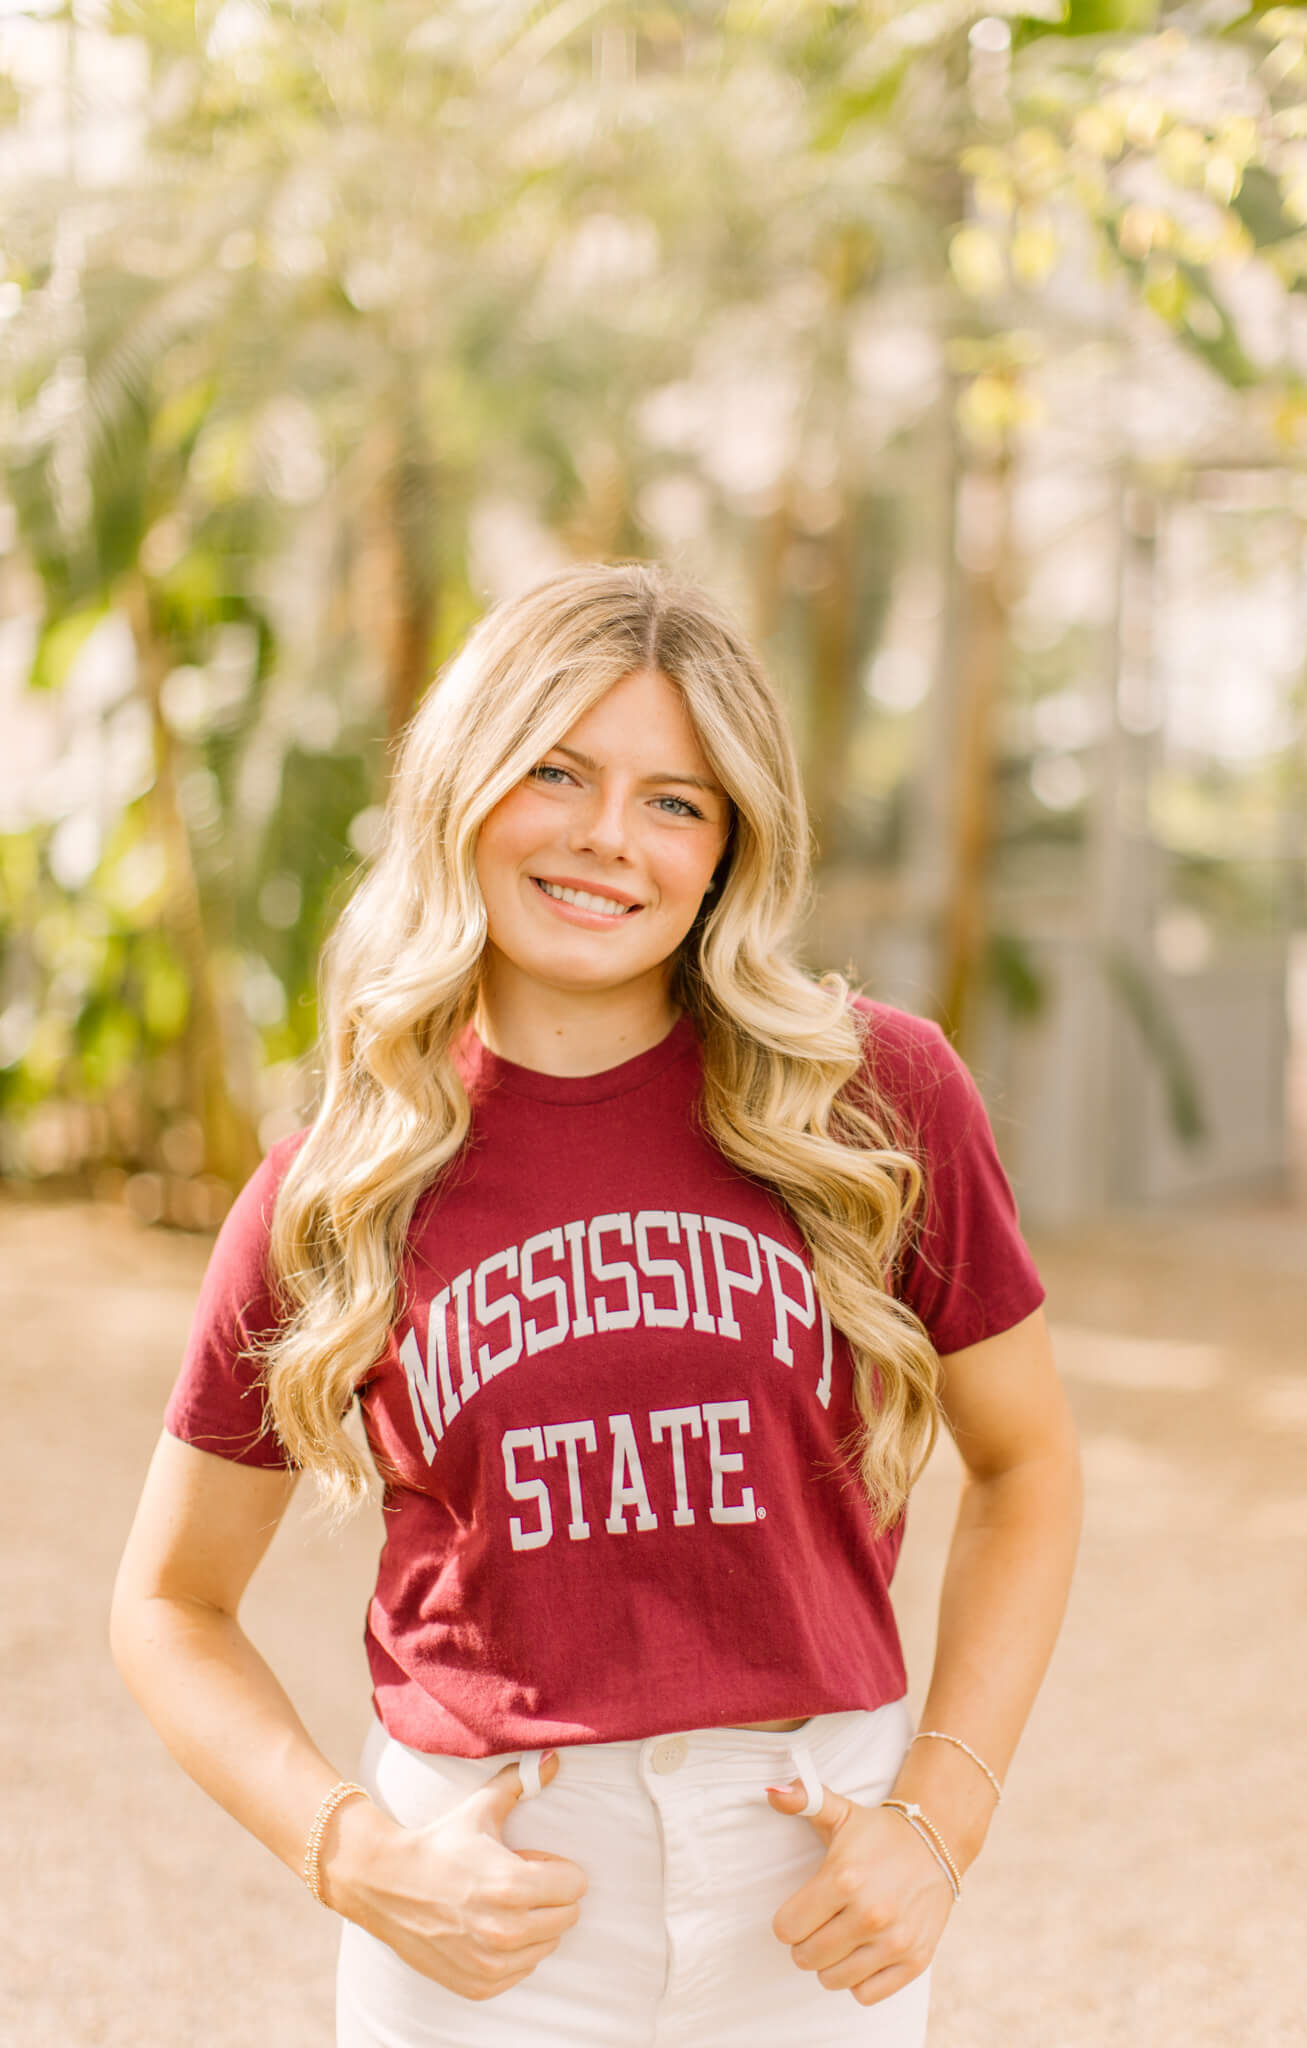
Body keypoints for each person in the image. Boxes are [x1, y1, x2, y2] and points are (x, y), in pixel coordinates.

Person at [111, 559, 1084, 2047]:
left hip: (809, 1885)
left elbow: (1026, 1468)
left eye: (675, 800)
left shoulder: (870, 1099)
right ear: (466, 785)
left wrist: (939, 1821)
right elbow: (170, 1605)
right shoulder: (343, 1179)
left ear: (728, 848)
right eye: (555, 771)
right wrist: (359, 1859)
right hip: (487, 1906)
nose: (605, 839)